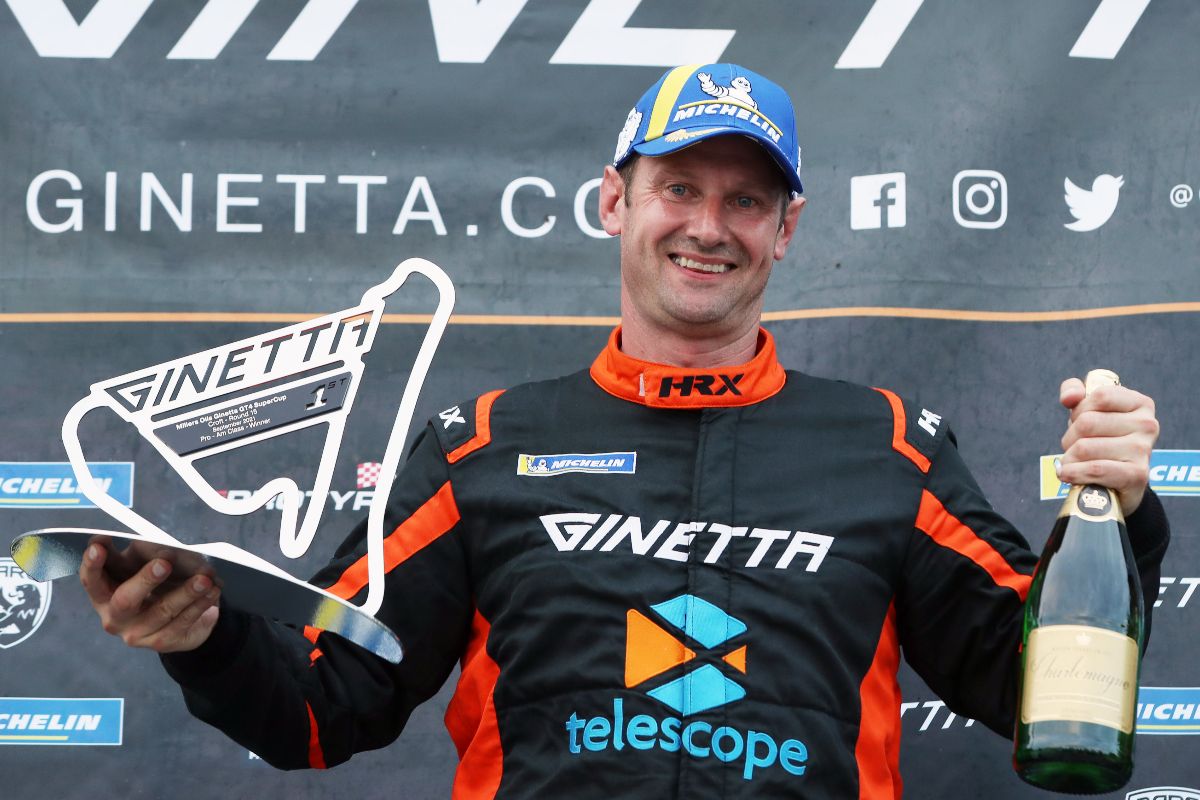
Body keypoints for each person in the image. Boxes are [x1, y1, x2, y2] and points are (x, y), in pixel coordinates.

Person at [80, 64, 1169, 798]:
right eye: (678, 187)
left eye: (746, 201)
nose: (709, 226)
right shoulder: (483, 445)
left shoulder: (889, 446)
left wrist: (1118, 515)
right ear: (615, 201)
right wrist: (205, 635)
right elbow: (322, 703)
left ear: (787, 230)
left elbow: (1034, 692)